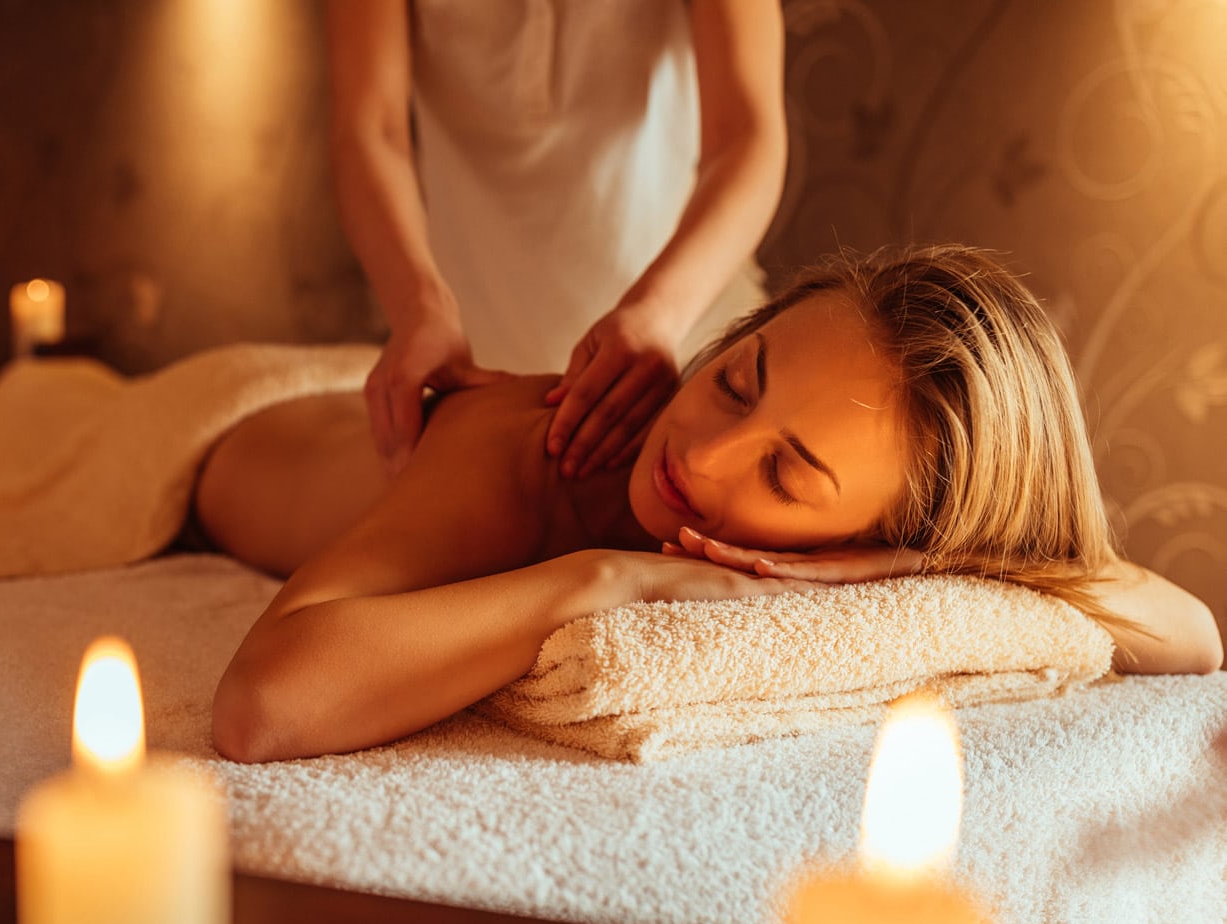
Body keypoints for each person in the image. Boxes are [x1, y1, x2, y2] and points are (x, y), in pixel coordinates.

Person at [196, 245, 1225, 764]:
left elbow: (1187, 633)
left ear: (865, 535)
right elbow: (260, 708)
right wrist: (609, 578)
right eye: (736, 380)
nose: (706, 450)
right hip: (232, 421)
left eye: (786, 475)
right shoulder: (530, 456)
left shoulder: (881, 547)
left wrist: (922, 569)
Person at [329, 0, 786, 482]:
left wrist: (657, 315)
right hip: (472, 374)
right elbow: (371, 129)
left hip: (692, 351)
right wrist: (416, 309)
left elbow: (745, 136)